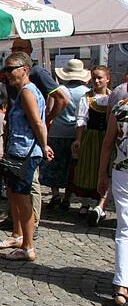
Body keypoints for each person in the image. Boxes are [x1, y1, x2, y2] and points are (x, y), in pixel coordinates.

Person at [0, 39, 69, 233]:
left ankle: (30, 227)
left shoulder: (36, 76)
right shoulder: (18, 84)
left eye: (19, 49)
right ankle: (17, 227)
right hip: (15, 139)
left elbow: (62, 99)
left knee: (27, 187)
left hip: (27, 144)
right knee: (14, 188)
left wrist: (46, 123)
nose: (8, 71)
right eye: (13, 49)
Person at [0, 53, 53, 261]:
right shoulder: (22, 92)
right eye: (5, 69)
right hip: (16, 151)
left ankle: (28, 246)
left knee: (23, 198)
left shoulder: (28, 92)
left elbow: (38, 122)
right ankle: (18, 236)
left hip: (25, 152)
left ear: (24, 69)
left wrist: (44, 146)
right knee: (13, 194)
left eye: (10, 69)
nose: (6, 73)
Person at [43, 59, 90, 209]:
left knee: (54, 165)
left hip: (57, 131)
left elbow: (49, 110)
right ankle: (67, 198)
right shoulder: (86, 92)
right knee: (72, 168)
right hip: (77, 133)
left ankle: (55, 194)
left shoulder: (58, 90)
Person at [97, 91, 128, 306]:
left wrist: (101, 175)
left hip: (121, 172)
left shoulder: (120, 108)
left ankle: (121, 285)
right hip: (122, 174)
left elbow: (107, 145)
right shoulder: (119, 109)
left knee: (124, 228)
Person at [71, 66, 111, 221]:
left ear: (107, 78)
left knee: (104, 168)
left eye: (100, 77)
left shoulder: (113, 97)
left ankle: (100, 203)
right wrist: (79, 139)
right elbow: (81, 120)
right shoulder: (87, 97)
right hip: (91, 136)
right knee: (87, 167)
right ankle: (85, 202)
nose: (97, 80)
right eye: (94, 78)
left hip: (107, 136)